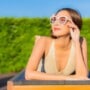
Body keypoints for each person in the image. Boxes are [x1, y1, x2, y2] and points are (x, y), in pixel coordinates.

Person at [25, 8, 88, 80]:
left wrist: (76, 42)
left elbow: (83, 76)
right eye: (54, 19)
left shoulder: (81, 42)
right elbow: (28, 74)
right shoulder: (43, 41)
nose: (56, 23)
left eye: (62, 20)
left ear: (74, 24)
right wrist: (67, 78)